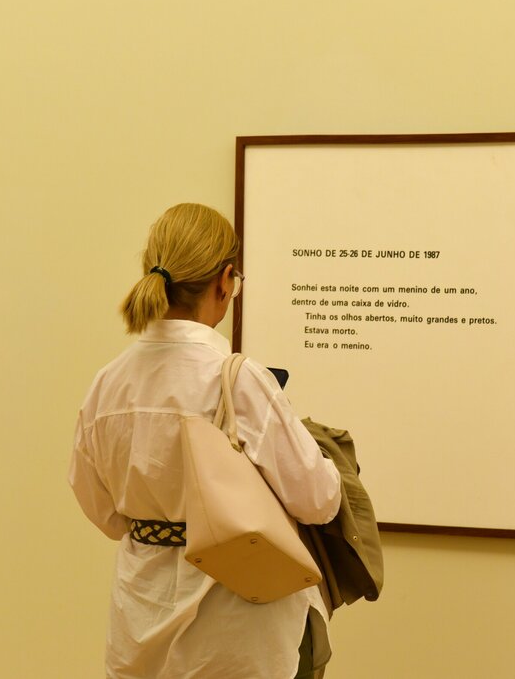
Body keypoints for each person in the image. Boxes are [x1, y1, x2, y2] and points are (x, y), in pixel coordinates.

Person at [69, 203, 342, 679]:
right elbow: (318, 501)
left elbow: (105, 515)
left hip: (139, 621)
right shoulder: (237, 379)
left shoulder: (107, 384)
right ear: (225, 280)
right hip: (238, 632)